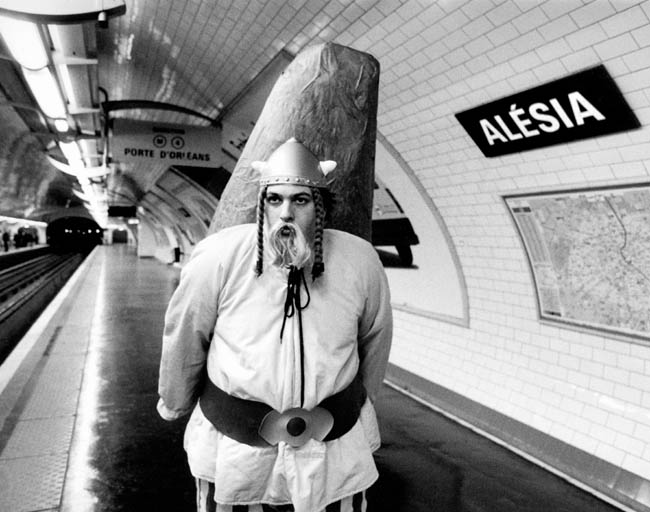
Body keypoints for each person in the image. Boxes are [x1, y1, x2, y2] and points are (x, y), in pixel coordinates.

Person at [158, 138, 393, 512]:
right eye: (274, 199)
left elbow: (376, 337)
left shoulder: (359, 260)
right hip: (237, 447)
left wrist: (363, 401)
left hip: (333, 447)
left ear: (320, 207)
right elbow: (186, 334)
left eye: (300, 200)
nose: (285, 213)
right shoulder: (219, 256)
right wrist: (175, 399)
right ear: (261, 204)